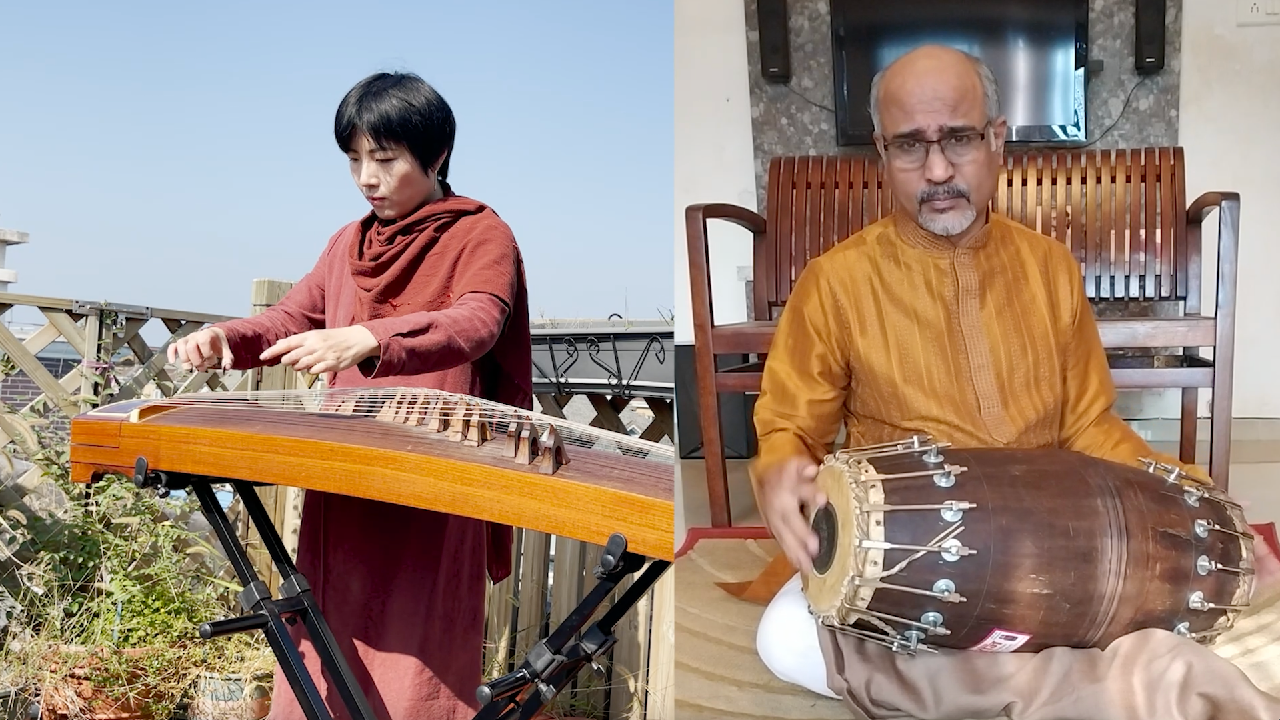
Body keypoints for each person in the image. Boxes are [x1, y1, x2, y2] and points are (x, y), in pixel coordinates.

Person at [746, 45, 1280, 720]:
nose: (937, 169)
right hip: (911, 561)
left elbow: (1090, 427)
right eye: (910, 146)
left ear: (997, 140)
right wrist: (778, 468)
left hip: (1053, 549)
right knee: (783, 636)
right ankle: (1110, 686)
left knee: (1168, 587)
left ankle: (1003, 688)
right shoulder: (835, 282)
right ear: (881, 152)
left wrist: (1200, 507)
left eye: (959, 139)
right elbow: (789, 426)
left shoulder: (1049, 268)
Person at [168, 72, 532, 720]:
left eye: (386, 159)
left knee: (417, 664)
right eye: (355, 159)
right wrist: (226, 338)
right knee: (326, 646)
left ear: (438, 155)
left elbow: (477, 322)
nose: (367, 176)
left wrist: (367, 337)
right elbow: (287, 319)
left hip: (433, 476)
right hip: (344, 476)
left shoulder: (482, 234)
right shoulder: (347, 242)